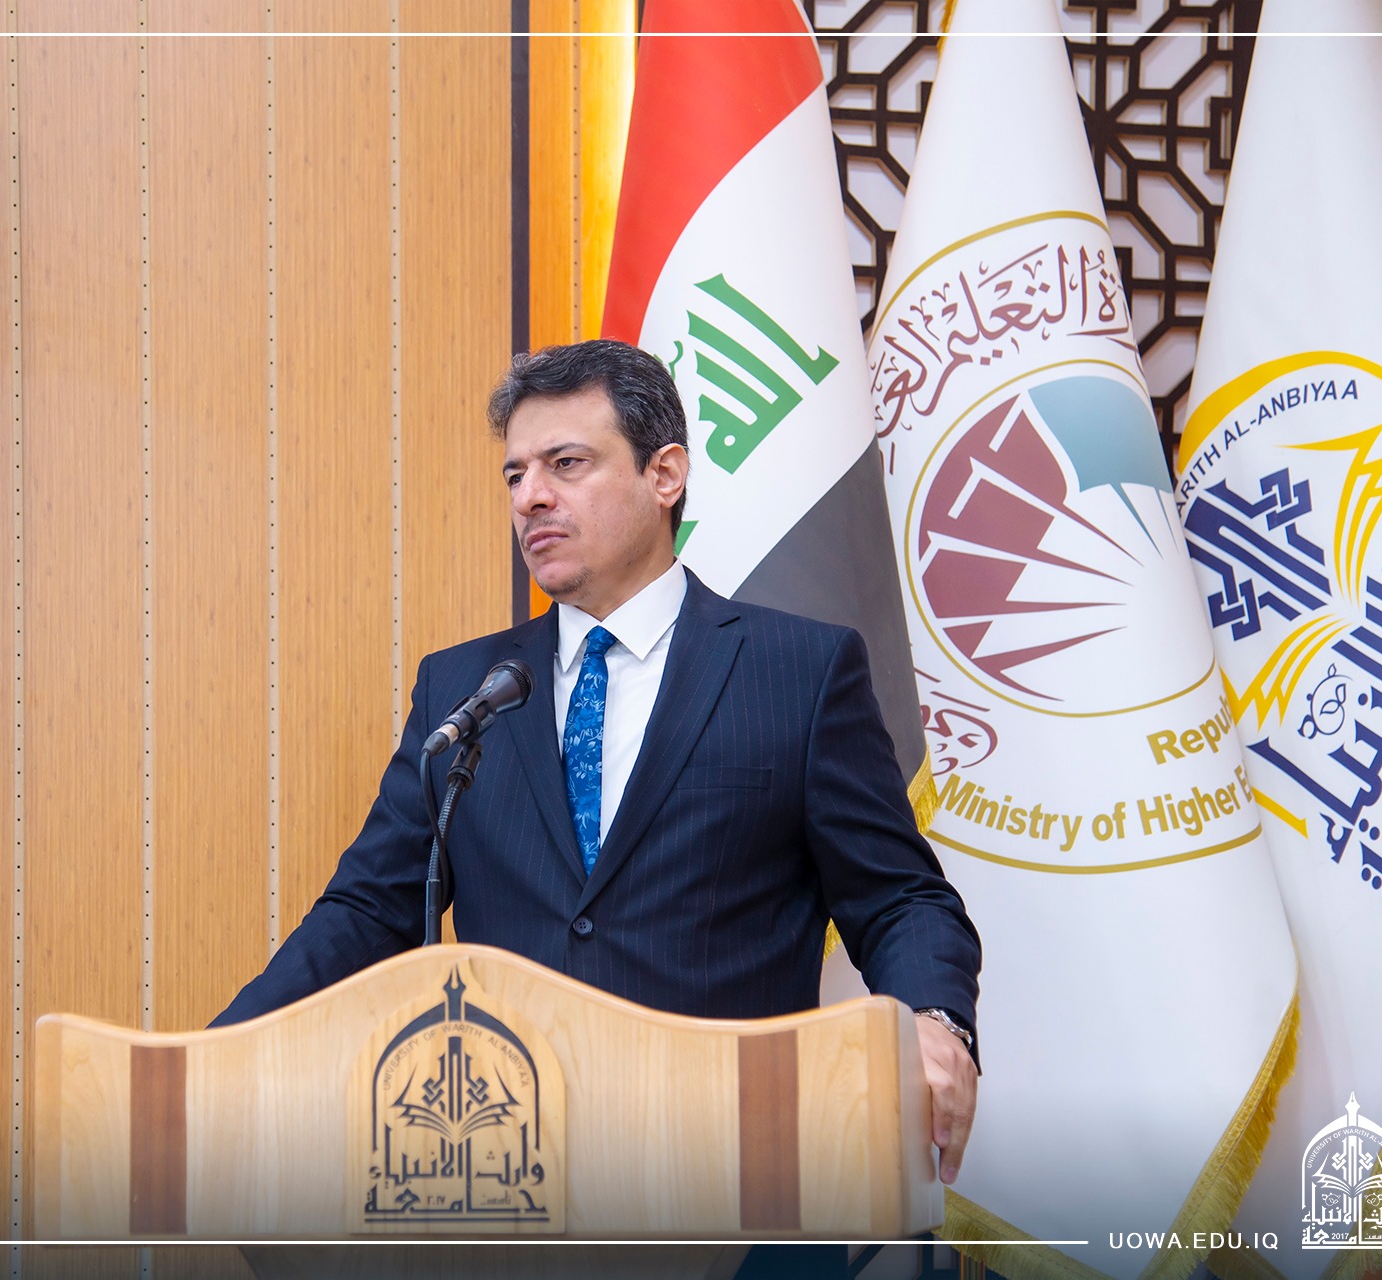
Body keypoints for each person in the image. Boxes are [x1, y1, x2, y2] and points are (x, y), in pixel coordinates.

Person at [212, 339, 982, 1185]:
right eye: (515, 475)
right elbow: (368, 910)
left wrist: (935, 1021)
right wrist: (218, 1058)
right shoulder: (463, 691)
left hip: (739, 1172)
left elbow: (899, 897)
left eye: (566, 464)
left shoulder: (797, 671)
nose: (531, 496)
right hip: (510, 1176)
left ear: (665, 475)